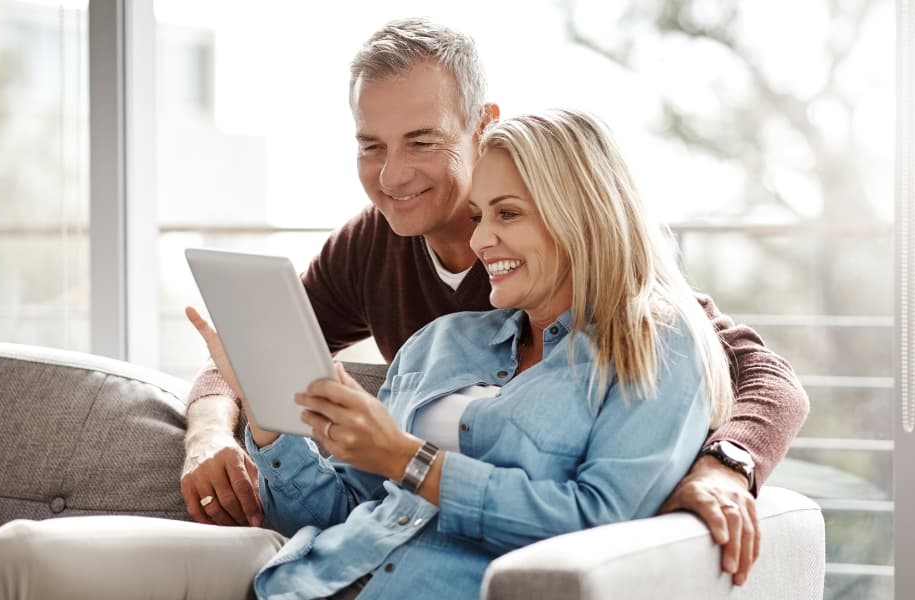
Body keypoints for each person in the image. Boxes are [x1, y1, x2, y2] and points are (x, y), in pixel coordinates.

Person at [181, 17, 808, 586]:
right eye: (371, 145)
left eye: (421, 141)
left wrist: (724, 465)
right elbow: (259, 351)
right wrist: (223, 427)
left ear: (482, 126)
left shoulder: (632, 321)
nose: (391, 176)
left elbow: (758, 374)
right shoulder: (386, 267)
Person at [225, 107, 737, 599]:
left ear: (584, 215)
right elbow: (340, 515)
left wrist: (407, 460)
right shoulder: (438, 342)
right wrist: (267, 419)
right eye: (478, 216)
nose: (480, 240)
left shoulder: (654, 343)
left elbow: (600, 523)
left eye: (507, 214)